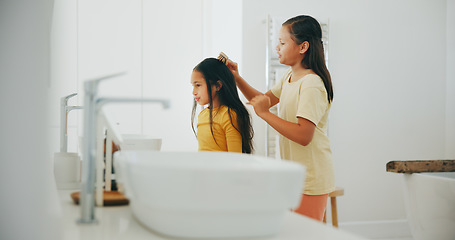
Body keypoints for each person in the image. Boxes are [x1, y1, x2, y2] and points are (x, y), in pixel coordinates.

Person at [226, 15, 335, 221]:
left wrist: (265, 114)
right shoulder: (289, 77)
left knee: (303, 235)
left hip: (311, 178)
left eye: (282, 43)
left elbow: (304, 135)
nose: (277, 47)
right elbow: (262, 100)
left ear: (303, 47)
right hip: (293, 175)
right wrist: (237, 78)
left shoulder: (311, 84)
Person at [191, 58, 254, 153]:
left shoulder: (229, 116)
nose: (194, 92)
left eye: (198, 85)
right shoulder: (202, 115)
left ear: (218, 86)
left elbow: (235, 158)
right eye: (193, 86)